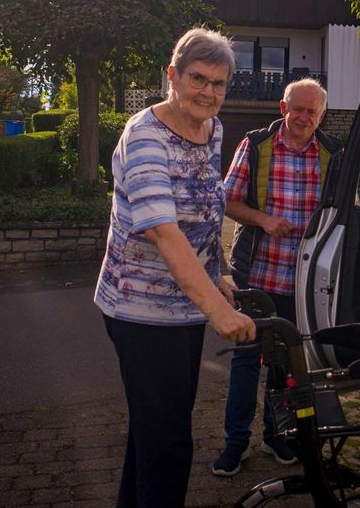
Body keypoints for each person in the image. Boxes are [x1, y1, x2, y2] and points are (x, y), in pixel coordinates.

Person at [95, 28, 256, 508]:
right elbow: (165, 231)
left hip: (186, 306)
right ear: (173, 76)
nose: (209, 92)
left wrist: (219, 272)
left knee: (154, 428)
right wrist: (217, 311)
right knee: (168, 443)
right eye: (198, 79)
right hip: (140, 311)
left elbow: (207, 211)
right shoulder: (144, 136)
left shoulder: (213, 130)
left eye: (219, 83)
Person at [212, 78, 342, 476]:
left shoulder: (333, 153)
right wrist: (263, 219)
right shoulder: (256, 145)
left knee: (284, 367)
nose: (304, 117)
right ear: (283, 109)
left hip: (304, 282)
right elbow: (227, 201)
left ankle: (275, 437)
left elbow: (344, 211)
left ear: (321, 115)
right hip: (259, 275)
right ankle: (236, 443)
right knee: (247, 360)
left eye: (312, 111)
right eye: (298, 109)